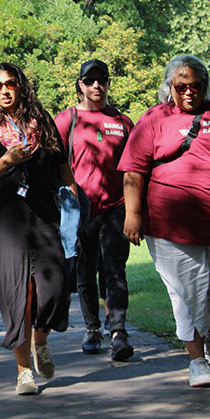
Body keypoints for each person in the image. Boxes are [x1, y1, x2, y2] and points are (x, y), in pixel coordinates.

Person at [118, 55, 210, 388]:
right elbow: (133, 171)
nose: (189, 92)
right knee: (186, 294)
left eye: (196, 86)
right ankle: (197, 360)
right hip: (170, 226)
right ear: (169, 86)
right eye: (181, 86)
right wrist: (132, 214)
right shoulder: (154, 119)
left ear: (205, 85)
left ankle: (207, 330)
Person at [0, 63, 77, 395]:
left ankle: (40, 338)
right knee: (18, 293)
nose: (4, 90)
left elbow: (63, 167)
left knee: (55, 289)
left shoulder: (41, 121)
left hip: (45, 212)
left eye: (10, 83)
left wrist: (73, 200)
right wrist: (4, 162)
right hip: (9, 217)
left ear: (21, 87)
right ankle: (23, 371)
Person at [54, 59, 136, 361]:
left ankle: (118, 331)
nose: (96, 86)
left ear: (108, 83)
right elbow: (55, 162)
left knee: (115, 271)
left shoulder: (123, 122)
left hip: (116, 208)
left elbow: (136, 167)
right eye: (90, 81)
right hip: (80, 209)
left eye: (101, 80)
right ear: (80, 85)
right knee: (85, 272)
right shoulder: (67, 120)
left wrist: (135, 211)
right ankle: (92, 329)